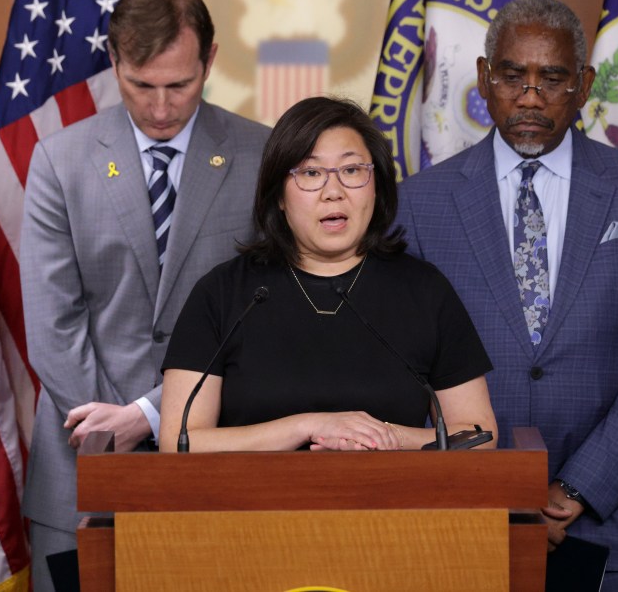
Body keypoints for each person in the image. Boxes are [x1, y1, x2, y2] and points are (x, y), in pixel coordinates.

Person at [396, 0, 618, 590]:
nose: (530, 97)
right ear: (484, 78)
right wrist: (488, 484)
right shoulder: (419, 203)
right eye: (512, 76)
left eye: (552, 79)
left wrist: (577, 488)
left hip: (612, 521)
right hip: (464, 516)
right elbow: (407, 366)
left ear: (584, 86)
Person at [20, 0, 270, 590]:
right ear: (114, 61)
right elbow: (53, 325)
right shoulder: (58, 161)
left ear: (210, 60)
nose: (160, 108)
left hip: (213, 466)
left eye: (179, 85)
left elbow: (266, 315)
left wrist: (153, 415)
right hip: (79, 471)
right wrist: (113, 426)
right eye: (140, 85)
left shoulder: (262, 156)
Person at [159, 96, 497, 453]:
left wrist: (389, 437)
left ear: (377, 185)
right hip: (255, 492)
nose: (333, 193)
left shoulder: (424, 291)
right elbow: (179, 441)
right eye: (311, 173)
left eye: (351, 171)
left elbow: (479, 434)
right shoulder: (223, 294)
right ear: (278, 195)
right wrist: (310, 426)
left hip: (393, 492)